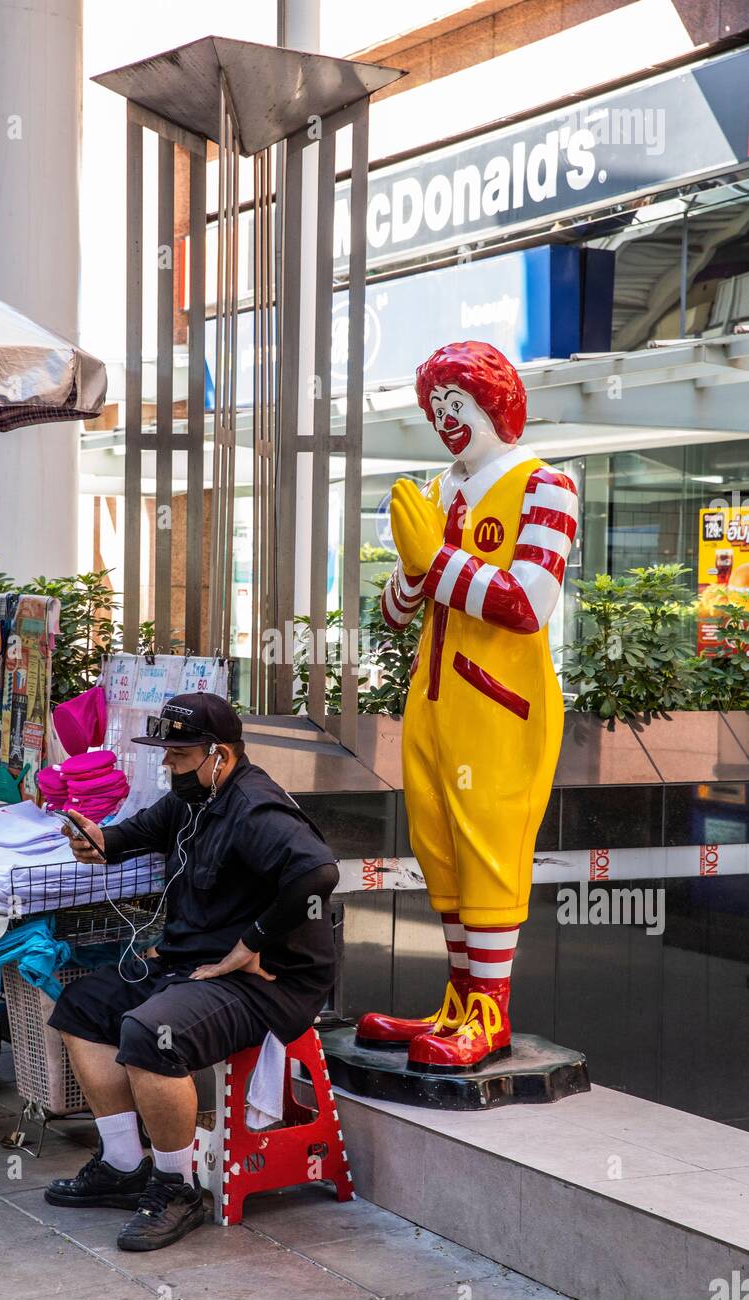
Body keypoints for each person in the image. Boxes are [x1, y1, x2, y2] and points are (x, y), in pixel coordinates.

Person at [43, 692, 339, 1252]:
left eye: (178, 756)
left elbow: (318, 873)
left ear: (219, 755)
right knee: (80, 1007)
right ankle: (124, 1165)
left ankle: (176, 1189)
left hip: (267, 980)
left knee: (150, 1036)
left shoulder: (256, 809)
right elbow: (125, 838)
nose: (167, 765)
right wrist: (95, 841)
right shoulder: (191, 797)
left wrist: (253, 943)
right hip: (195, 963)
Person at [356, 340, 578, 1072]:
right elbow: (394, 613)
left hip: (500, 708)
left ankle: (491, 1013)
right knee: (440, 853)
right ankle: (457, 1004)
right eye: (436, 408)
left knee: (488, 850)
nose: (446, 419)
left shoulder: (547, 487)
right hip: (431, 698)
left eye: (456, 402)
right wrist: (413, 571)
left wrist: (437, 561)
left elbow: (526, 605)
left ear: (495, 399)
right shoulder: (439, 490)